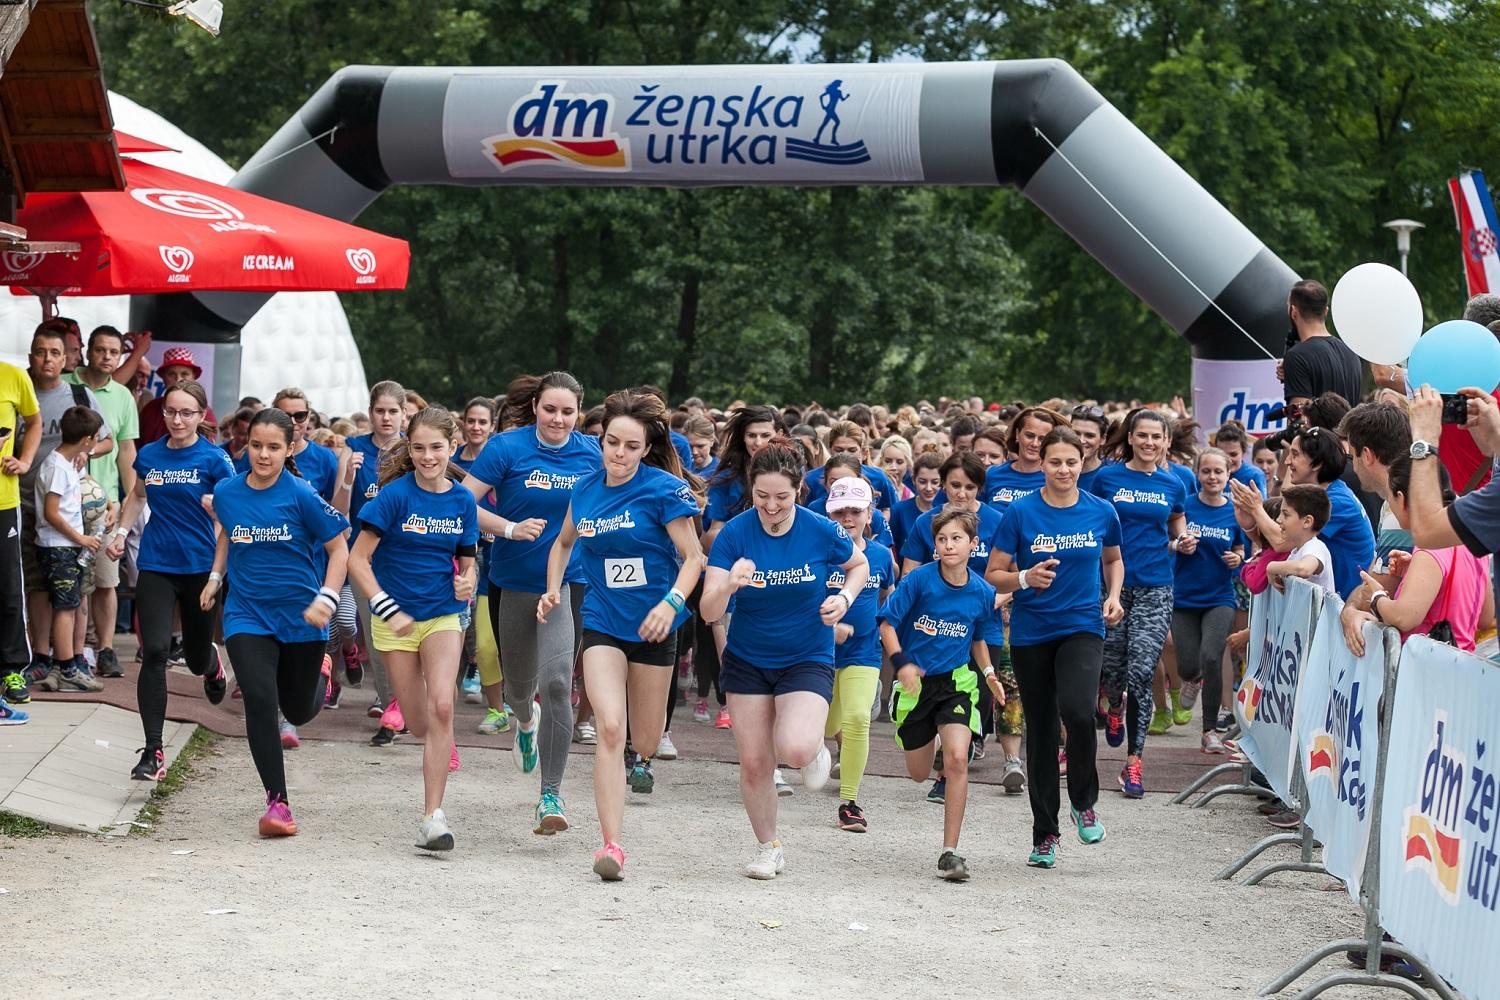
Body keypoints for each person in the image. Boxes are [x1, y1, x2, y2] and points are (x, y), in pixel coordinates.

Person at [537, 390, 704, 880]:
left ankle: (642, 755)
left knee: (644, 738)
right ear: (601, 440)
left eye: (632, 446)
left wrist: (672, 603)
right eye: (612, 442)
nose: (620, 453)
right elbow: (562, 544)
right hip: (604, 622)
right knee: (610, 728)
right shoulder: (585, 490)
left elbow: (694, 558)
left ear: (646, 448)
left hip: (655, 626)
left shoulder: (664, 491)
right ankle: (611, 846)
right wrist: (552, 589)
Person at [699, 437, 868, 880]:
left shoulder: (820, 529)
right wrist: (728, 585)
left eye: (782, 497)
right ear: (750, 488)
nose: (771, 507)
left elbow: (859, 565)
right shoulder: (734, 534)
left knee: (794, 749)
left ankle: (813, 749)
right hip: (748, 659)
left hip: (806, 654)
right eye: (762, 496)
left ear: (799, 491)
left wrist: (844, 599)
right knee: (756, 762)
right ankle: (768, 847)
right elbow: (709, 611)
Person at [199, 408, 349, 837]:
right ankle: (277, 803)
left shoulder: (302, 494)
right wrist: (215, 577)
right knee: (260, 700)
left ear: (288, 450)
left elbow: (339, 549)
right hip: (247, 614)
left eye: (273, 447)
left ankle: (323, 670)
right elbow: (228, 532)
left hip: (302, 616)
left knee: (298, 709)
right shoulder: (227, 492)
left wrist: (328, 597)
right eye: (256, 446)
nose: (263, 455)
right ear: (246, 445)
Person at [462, 372, 600, 834]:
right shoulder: (506, 448)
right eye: (550, 409)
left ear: (579, 413)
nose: (558, 419)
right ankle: (524, 721)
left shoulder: (592, 453)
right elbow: (461, 503)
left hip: (567, 584)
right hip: (514, 582)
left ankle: (550, 795)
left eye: (567, 412)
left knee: (557, 682)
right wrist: (508, 528)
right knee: (519, 689)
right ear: (536, 407)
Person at [988, 426, 1123, 868]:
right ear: (1041, 464)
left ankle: (1083, 802)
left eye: (1071, 461)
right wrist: (1025, 578)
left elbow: (1113, 559)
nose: (1064, 469)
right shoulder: (1020, 513)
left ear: (1082, 463)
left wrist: (1113, 595)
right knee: (1043, 731)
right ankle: (1045, 834)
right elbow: (993, 574)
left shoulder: (1101, 511)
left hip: (1082, 625)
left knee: (1080, 712)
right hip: (1032, 632)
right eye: (1055, 462)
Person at [349, 406, 478, 852]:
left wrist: (468, 580)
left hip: (443, 614)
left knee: (441, 707)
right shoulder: (393, 497)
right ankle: (436, 727)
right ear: (409, 448)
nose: (428, 457)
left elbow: (467, 561)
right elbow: (357, 560)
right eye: (419, 448)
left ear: (452, 446)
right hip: (394, 621)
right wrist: (385, 607)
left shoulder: (463, 500)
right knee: (421, 723)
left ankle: (432, 817)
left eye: (436, 447)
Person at [107, 380, 235, 782]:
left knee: (193, 658)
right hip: (157, 564)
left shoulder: (215, 459)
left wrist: (220, 513)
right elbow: (137, 496)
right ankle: (153, 751)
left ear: (201, 416)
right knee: (156, 651)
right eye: (170, 412)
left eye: (186, 413)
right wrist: (120, 533)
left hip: (200, 568)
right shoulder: (149, 454)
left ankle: (211, 664)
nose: (177, 420)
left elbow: (234, 512)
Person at [880, 507, 1002, 881]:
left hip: (956, 684)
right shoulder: (919, 581)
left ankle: (950, 852)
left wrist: (989, 674)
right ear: (935, 545)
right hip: (915, 684)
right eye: (942, 539)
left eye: (956, 538)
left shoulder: (982, 591)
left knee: (957, 760)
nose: (948, 545)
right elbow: (887, 625)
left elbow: (977, 638)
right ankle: (929, 737)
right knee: (918, 773)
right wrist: (901, 663)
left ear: (973, 544)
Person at [901, 453, 1019, 793]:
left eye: (970, 487)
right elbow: (909, 571)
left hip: (982, 627)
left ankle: (954, 764)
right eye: (955, 485)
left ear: (980, 488)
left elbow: (1014, 575)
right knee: (941, 699)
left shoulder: (997, 521)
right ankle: (944, 772)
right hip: (934, 630)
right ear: (943, 485)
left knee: (976, 700)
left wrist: (996, 598)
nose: (962, 493)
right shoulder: (927, 523)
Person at [1091, 408, 1187, 797]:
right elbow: (1092, 520)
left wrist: (1182, 539)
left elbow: (1176, 521)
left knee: (1143, 672)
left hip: (1156, 587)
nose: (1149, 442)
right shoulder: (1106, 478)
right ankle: (1114, 706)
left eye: (1156, 437)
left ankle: (1134, 762)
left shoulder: (1173, 483)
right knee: (1113, 670)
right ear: (1130, 438)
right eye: (1142, 435)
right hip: (1112, 586)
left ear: (1166, 442)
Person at [19, 325, 112, 686]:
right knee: (37, 586)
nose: (47, 359)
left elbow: (108, 441)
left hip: (73, 510)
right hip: (26, 503)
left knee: (76, 591)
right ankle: (43, 657)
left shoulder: (78, 394)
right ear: (31, 356)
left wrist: (86, 452)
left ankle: (73, 660)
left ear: (67, 359)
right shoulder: (18, 392)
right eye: (40, 352)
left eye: (55, 353)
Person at [1343, 457, 1494, 654]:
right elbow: (1485, 617)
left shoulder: (1430, 547)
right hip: (1461, 661)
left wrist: (1376, 597)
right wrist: (1416, 573)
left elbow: (1404, 617)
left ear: (1401, 499)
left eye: (1389, 499)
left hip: (1426, 664)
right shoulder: (1471, 539)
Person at [63, 325, 139, 680]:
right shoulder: (66, 383)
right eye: (100, 350)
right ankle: (73, 651)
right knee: (70, 579)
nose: (107, 357)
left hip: (104, 500)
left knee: (107, 579)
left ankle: (106, 649)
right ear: (88, 351)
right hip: (64, 496)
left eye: (114, 352)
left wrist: (130, 500)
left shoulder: (122, 395)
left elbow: (126, 450)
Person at [820, 476, 894, 834]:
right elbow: (796, 601)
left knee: (858, 719)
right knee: (823, 728)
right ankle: (814, 752)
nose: (847, 518)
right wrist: (826, 627)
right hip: (817, 652)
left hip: (864, 653)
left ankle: (849, 804)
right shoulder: (817, 552)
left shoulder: (880, 556)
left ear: (869, 513)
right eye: (840, 512)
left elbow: (888, 597)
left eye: (855, 510)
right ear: (829, 514)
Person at [1230, 426, 1373, 599]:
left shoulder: (1337, 502)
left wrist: (1256, 509)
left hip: (1347, 602)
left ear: (1317, 463)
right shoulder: (1321, 495)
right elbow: (1276, 543)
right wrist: (1249, 525)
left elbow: (1282, 542)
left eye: (1295, 454)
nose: (1287, 461)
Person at [1170, 449, 1248, 754]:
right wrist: (1177, 545)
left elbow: (1240, 547)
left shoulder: (1235, 511)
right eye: (1206, 471)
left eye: (1218, 471)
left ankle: (1209, 730)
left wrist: (1238, 558)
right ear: (1197, 474)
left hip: (1220, 597)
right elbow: (1166, 541)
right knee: (1189, 665)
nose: (1212, 477)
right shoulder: (1184, 507)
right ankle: (1194, 678)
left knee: (1213, 656)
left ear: (1228, 475)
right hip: (1184, 597)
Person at [346, 382, 407, 740]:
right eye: (380, 411)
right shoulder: (353, 448)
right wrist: (347, 478)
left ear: (404, 414)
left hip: (403, 557)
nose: (386, 418)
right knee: (376, 636)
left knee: (405, 634)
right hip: (364, 557)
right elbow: (339, 506)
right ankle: (389, 708)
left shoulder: (414, 451)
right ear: (370, 413)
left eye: (392, 411)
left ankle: (405, 704)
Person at [32, 406, 105, 693]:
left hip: (67, 546)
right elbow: (51, 513)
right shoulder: (57, 468)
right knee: (65, 608)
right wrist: (81, 538)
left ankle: (64, 667)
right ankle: (67, 670)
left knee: (70, 605)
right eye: (96, 438)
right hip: (59, 547)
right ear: (87, 440)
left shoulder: (69, 461)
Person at [452, 397, 508, 735]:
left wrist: (504, 528)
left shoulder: (506, 461)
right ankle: (496, 709)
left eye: (482, 421)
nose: (475, 427)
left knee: (513, 646)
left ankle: (522, 700)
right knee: (480, 640)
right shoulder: (452, 461)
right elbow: (454, 506)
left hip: (508, 558)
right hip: (470, 558)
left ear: (492, 427)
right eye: (470, 420)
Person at [0, 356, 41, 718]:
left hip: (4, 501)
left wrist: (25, 461)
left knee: (10, 588)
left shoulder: (12, 376)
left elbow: (35, 420)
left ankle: (12, 669)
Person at [1280, 279, 1362, 410]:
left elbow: (1299, 417)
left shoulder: (1297, 356)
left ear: (1293, 311)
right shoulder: (1351, 353)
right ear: (1326, 311)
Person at [984, 406, 1064, 515]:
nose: (1035, 444)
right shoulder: (992, 474)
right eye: (1029, 436)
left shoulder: (1055, 478)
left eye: (1042, 439)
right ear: (1017, 434)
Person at [803, 421, 896, 512]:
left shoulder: (878, 477)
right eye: (839, 450)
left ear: (862, 451)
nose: (845, 454)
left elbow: (889, 510)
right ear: (830, 449)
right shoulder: (811, 479)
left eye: (852, 450)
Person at [136, 347, 217, 446]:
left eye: (184, 374)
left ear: (193, 377)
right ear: (163, 377)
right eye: (172, 374)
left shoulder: (205, 413)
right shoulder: (150, 409)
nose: (178, 379)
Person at [1265, 485, 1336, 592]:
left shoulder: (1315, 547)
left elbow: (1304, 568)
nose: (1278, 520)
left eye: (1286, 515)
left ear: (1307, 521)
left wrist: (1271, 566)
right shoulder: (1296, 552)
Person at [888, 451, 942, 559]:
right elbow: (890, 547)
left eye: (935, 482)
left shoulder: (949, 510)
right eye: (922, 481)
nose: (928, 488)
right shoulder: (899, 510)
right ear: (913, 480)